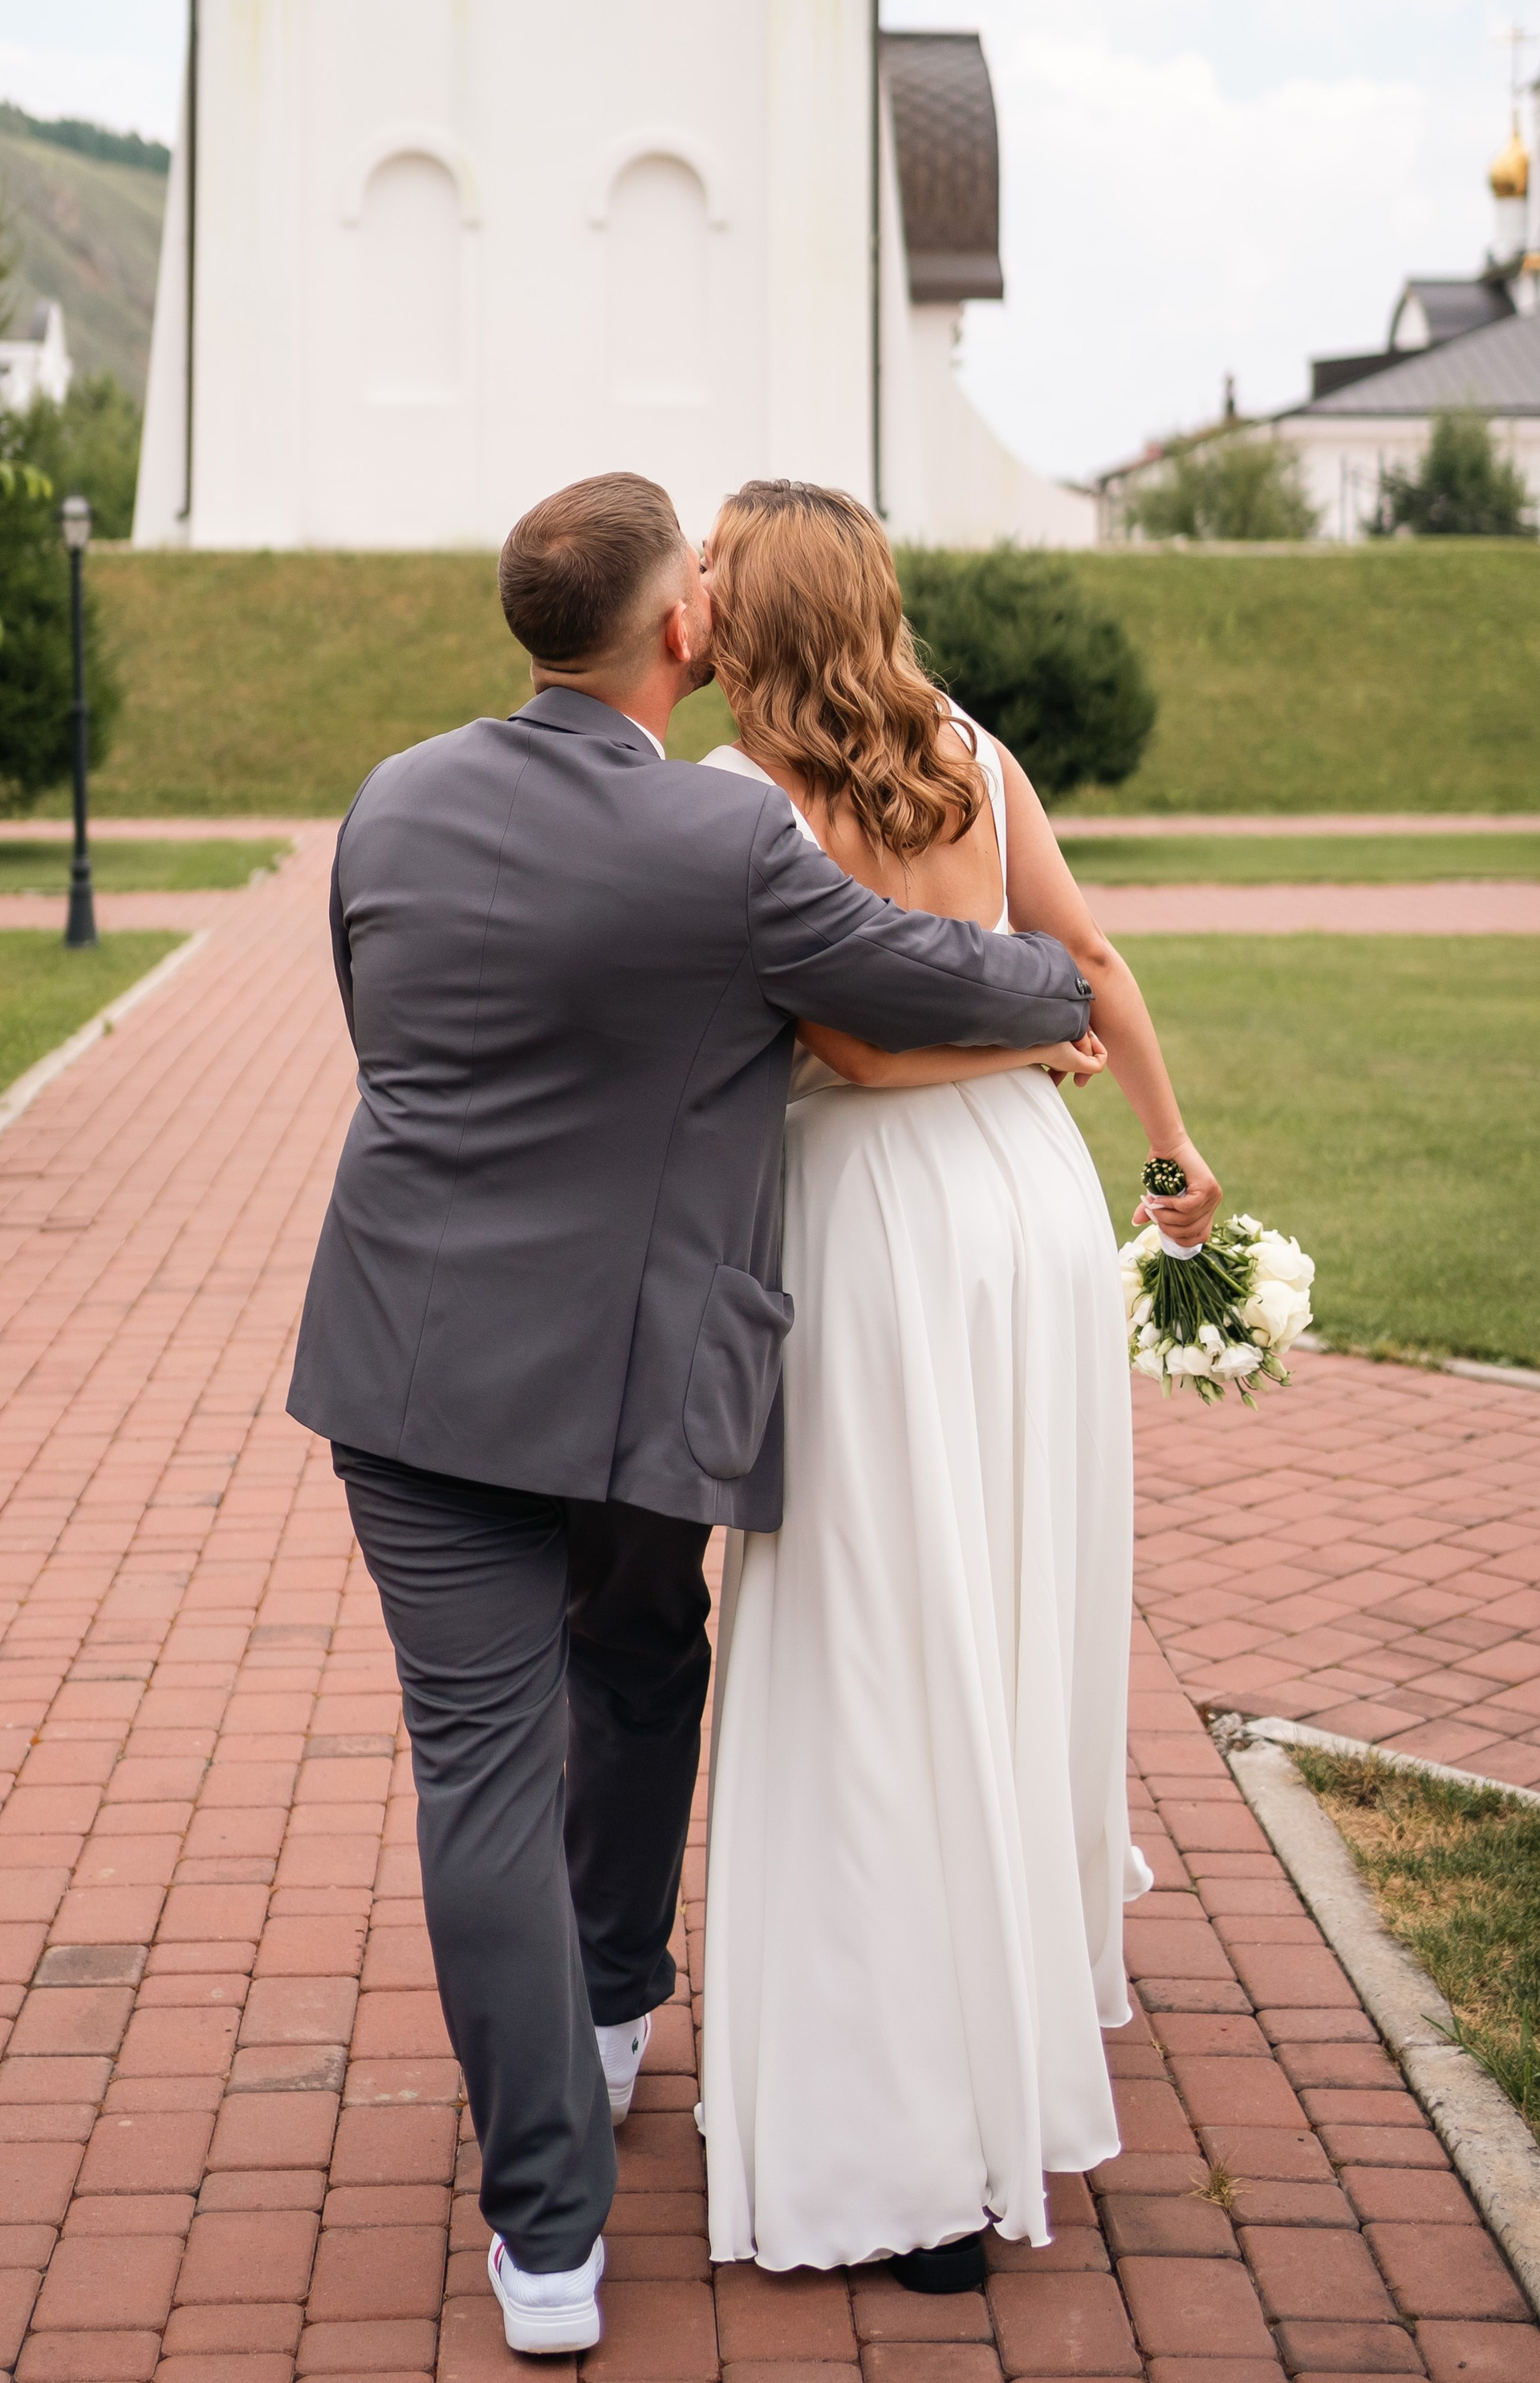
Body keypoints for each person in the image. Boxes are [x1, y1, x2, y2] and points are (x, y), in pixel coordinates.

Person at [287, 472, 1099, 2356]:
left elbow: (376, 1022)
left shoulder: (390, 799)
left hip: (402, 1361)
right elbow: (916, 981)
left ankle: (547, 2240)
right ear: (679, 633)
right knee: (642, 1655)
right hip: (635, 1379)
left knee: (476, 1771)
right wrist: (1057, 984)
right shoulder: (724, 848)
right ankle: (605, 2006)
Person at [695, 478, 1221, 2290]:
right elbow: (1082, 956)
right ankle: (1020, 1997)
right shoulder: (967, 750)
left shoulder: (737, 796)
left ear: (749, 611)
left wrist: (1002, 1056)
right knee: (1003, 1603)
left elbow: (838, 1042)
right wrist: (1160, 1146)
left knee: (873, 1637)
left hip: (880, 1235)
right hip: (1027, 1216)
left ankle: (909, 2129)